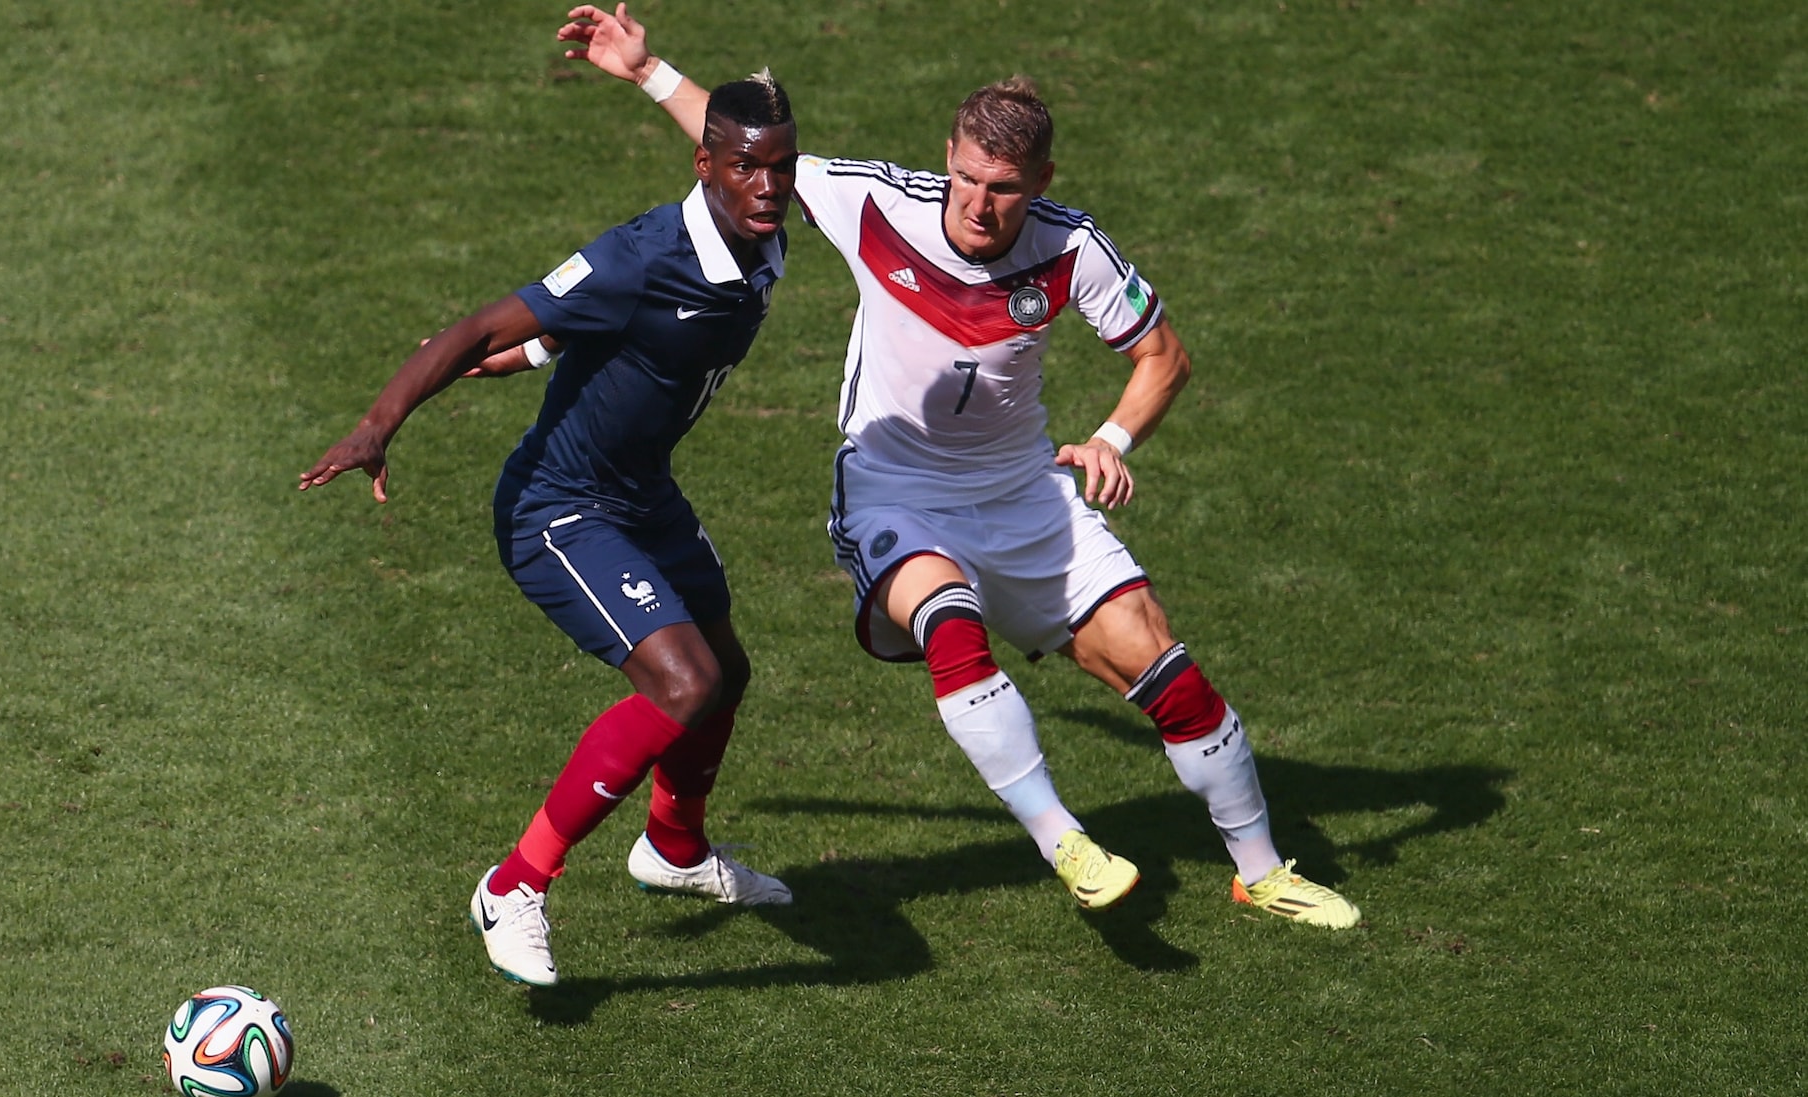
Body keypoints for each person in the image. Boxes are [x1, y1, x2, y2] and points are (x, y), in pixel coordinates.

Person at [559, 4, 1361, 928]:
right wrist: (647, 69)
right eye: (969, 177)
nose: (980, 204)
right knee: (952, 623)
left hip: (1024, 498)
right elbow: (757, 156)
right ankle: (1064, 838)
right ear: (949, 155)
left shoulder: (1069, 249)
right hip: (894, 487)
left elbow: (1164, 357)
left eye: (1006, 188)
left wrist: (1112, 441)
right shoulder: (877, 204)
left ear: (1042, 181)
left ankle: (1260, 870)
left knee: (1167, 668)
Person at [298, 72, 804, 987]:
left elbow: (612, 333)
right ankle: (514, 883)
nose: (770, 187)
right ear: (707, 167)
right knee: (684, 682)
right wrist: (380, 423)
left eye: (782, 167)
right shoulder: (642, 255)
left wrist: (538, 350)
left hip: (644, 492)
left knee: (727, 672)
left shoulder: (765, 229)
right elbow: (480, 320)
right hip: (561, 507)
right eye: (748, 168)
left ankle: (675, 849)